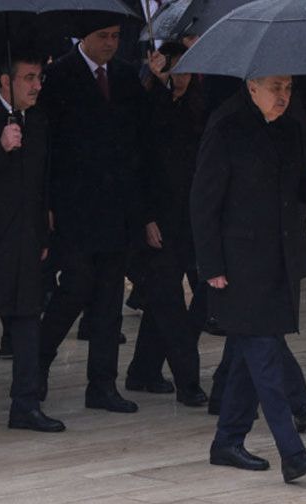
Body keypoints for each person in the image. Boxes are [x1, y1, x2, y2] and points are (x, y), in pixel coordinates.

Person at [191, 74, 306, 482]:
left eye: (288, 88)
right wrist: (211, 266)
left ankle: (227, 441)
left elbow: (301, 185)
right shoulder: (226, 125)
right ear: (252, 86)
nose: (284, 96)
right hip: (239, 265)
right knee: (265, 357)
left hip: (280, 260)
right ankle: (292, 452)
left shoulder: (290, 126)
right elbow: (203, 201)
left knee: (246, 358)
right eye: (275, 88)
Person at [37, 13, 148, 413]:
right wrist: (48, 203)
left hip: (116, 207)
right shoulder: (61, 76)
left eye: (117, 36)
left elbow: (137, 136)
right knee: (74, 290)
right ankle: (35, 369)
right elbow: (48, 146)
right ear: (84, 37)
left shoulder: (124, 76)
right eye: (103, 36)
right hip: (75, 207)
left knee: (108, 299)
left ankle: (102, 385)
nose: (111, 43)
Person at [0, 46, 65, 433]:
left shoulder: (39, 120)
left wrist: (43, 229)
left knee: (28, 317)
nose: (36, 86)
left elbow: (42, 181)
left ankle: (25, 405)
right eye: (28, 78)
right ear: (5, 82)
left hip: (26, 235)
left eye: (39, 78)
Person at [122, 42, 208, 406]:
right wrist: (146, 218)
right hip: (156, 221)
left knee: (182, 300)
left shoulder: (203, 106)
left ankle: (142, 371)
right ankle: (189, 382)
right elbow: (138, 166)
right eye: (174, 68)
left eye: (187, 68)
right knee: (169, 303)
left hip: (193, 219)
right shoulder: (149, 105)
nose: (181, 76)